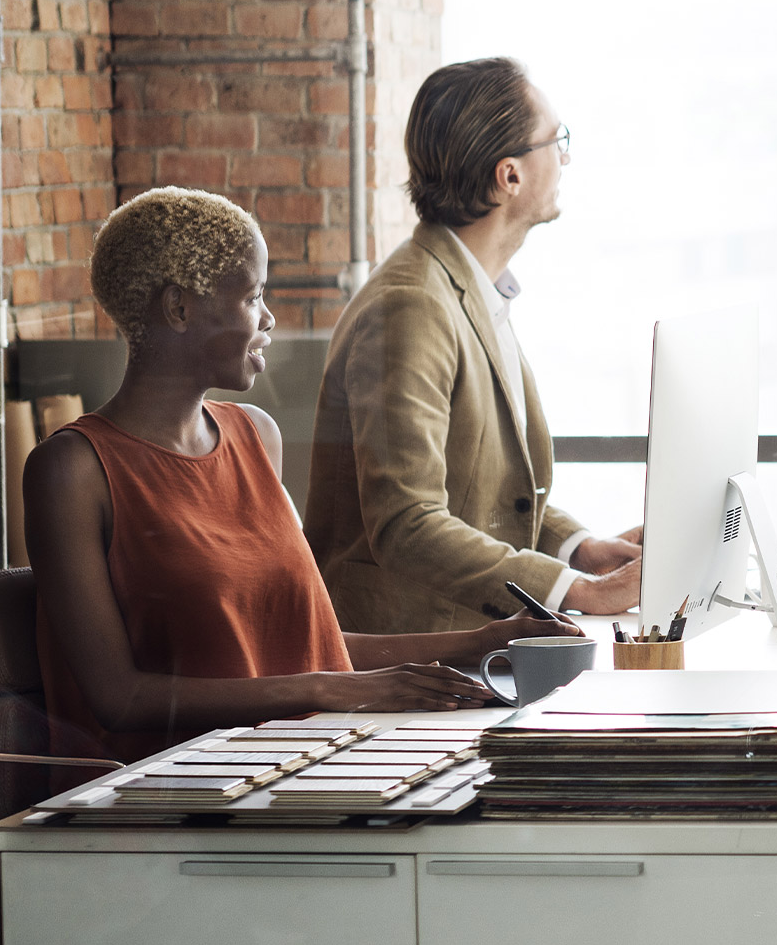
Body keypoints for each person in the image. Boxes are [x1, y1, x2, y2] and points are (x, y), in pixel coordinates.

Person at [37, 188, 565, 755]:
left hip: (287, 759)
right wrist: (334, 691)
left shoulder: (255, 435)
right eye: (253, 296)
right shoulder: (73, 470)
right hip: (161, 793)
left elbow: (305, 642)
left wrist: (483, 642)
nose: (268, 318)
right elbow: (118, 699)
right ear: (179, 308)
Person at [307, 57, 645, 633]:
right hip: (407, 653)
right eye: (555, 141)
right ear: (508, 175)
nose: (564, 157)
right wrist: (578, 592)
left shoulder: (470, 288)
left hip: (464, 642)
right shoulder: (411, 305)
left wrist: (579, 549)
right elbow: (407, 523)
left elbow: (481, 494)